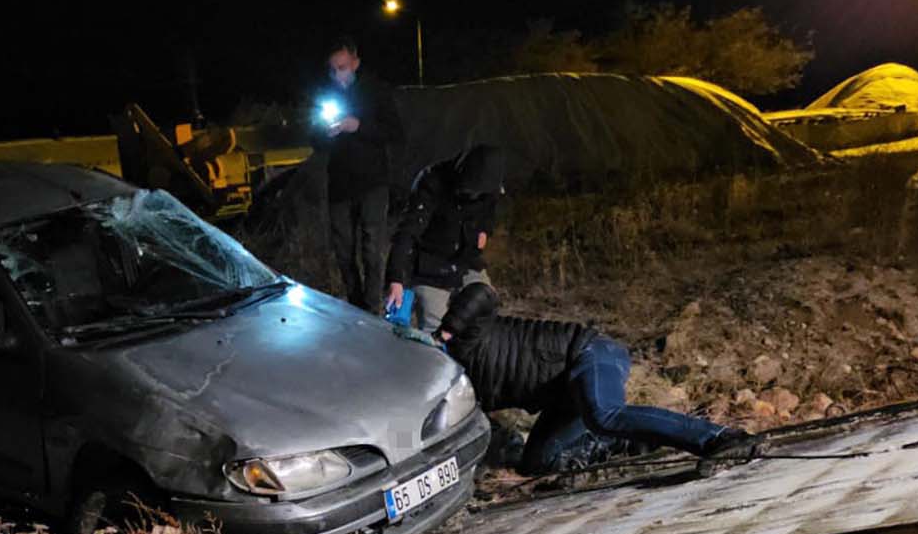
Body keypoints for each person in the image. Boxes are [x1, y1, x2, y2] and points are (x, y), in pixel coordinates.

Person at [437, 282, 761, 473]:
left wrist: (448, 328)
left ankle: (722, 438)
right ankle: (631, 442)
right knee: (538, 461)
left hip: (588, 353)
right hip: (565, 395)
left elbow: (482, 293)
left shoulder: (467, 336)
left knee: (605, 413)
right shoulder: (460, 388)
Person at [320, 37, 404, 314]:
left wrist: (359, 126)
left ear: (355, 63)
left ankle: (372, 307)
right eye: (332, 69)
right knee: (344, 251)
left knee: (372, 249)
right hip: (340, 186)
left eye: (342, 67)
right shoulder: (326, 95)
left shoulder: (376, 92)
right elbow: (314, 141)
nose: (337, 75)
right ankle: (356, 305)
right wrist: (324, 133)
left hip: (372, 183)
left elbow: (395, 133)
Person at [385, 144, 505, 334]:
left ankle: (472, 360)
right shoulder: (433, 180)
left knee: (484, 312)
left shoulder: (489, 187)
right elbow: (407, 232)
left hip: (467, 261)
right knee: (438, 334)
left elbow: (487, 216)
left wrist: (484, 232)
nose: (473, 196)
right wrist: (396, 278)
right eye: (469, 192)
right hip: (429, 266)